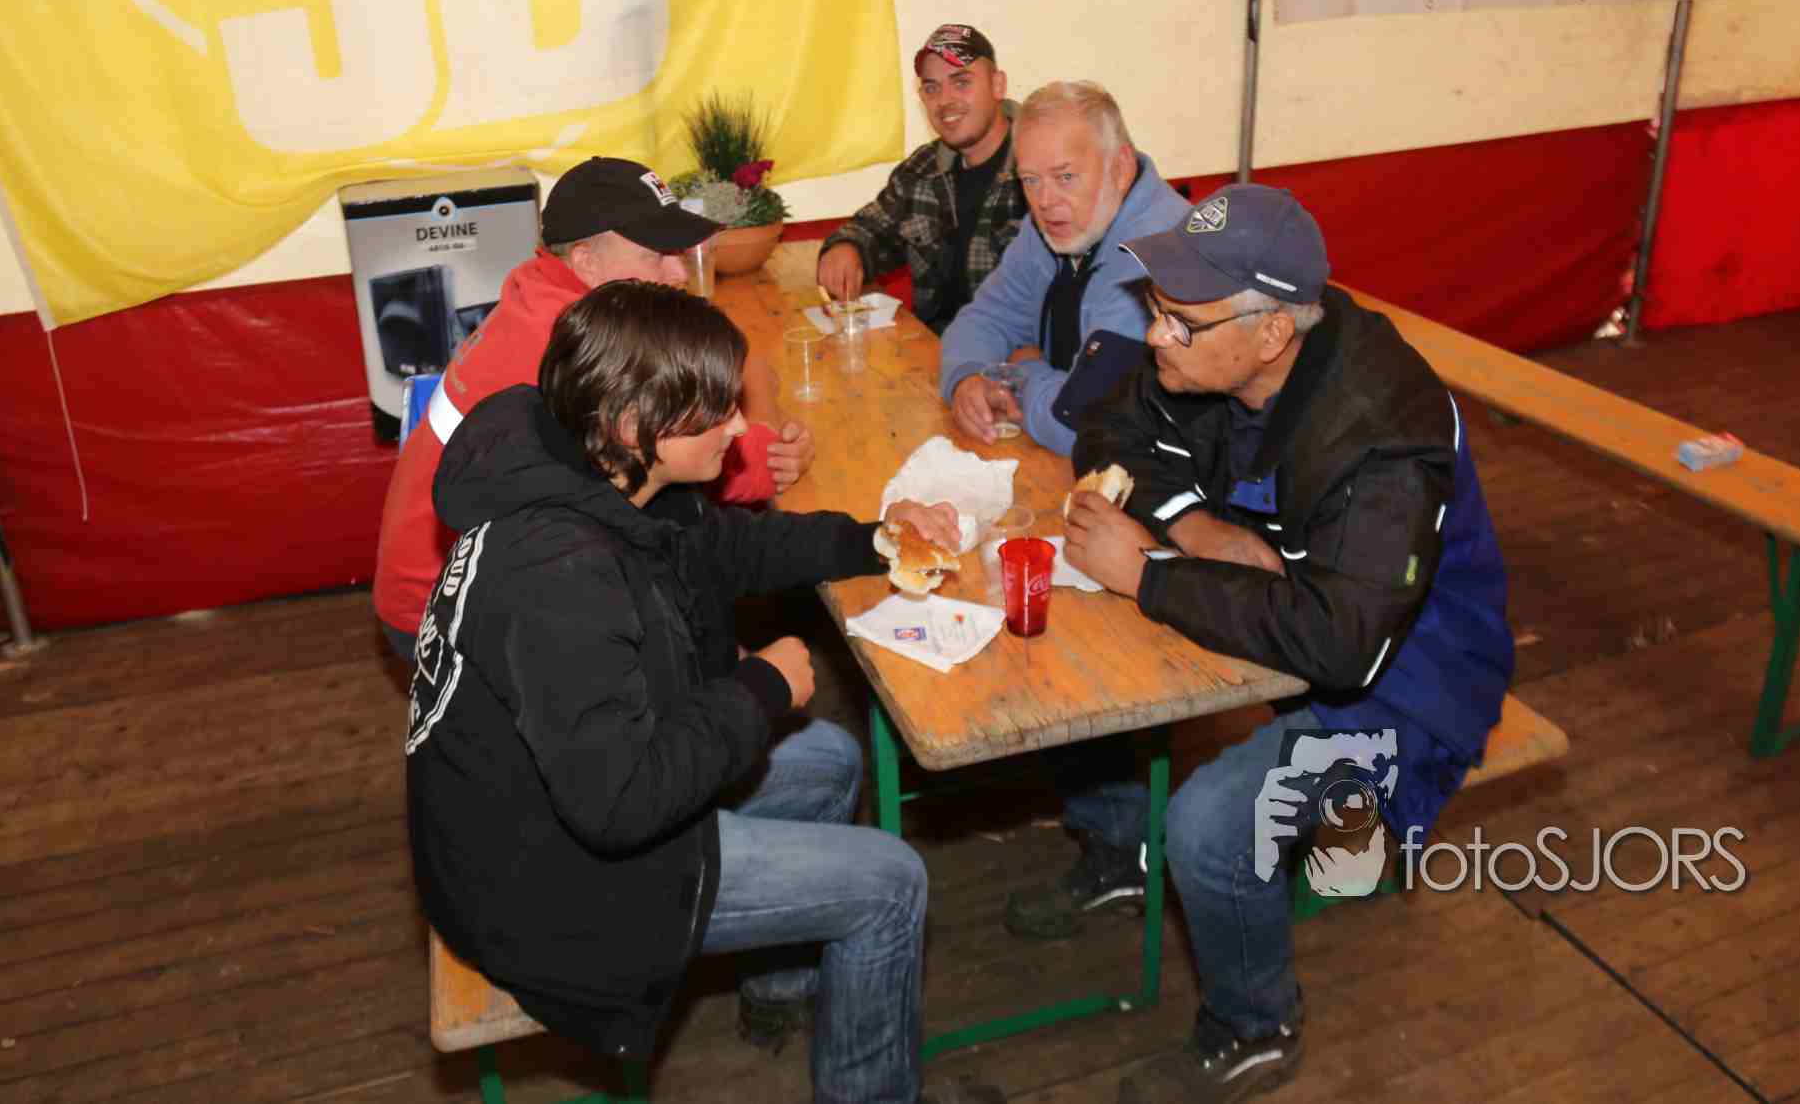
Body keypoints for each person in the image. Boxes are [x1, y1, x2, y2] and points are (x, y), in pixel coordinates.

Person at [405, 281, 1003, 1104]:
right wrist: (760, 688)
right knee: (892, 884)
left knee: (829, 760)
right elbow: (619, 803)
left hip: (554, 812)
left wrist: (878, 541)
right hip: (544, 889)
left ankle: (779, 989)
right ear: (633, 425)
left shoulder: (599, 473)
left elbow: (734, 549)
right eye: (716, 411)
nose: (738, 427)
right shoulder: (559, 573)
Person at [1015, 185, 1514, 1103]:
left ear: (1272, 332)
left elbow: (1343, 644)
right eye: (1155, 308)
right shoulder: (1209, 354)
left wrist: (1151, 575)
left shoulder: (1385, 430)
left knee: (1211, 824)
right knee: (1070, 655)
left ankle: (1254, 1025)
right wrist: (1194, 527)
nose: (1155, 334)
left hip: (1409, 677)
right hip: (1297, 616)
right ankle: (1120, 851)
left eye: (1179, 321)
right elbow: (1107, 423)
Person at [371, 156, 816, 661]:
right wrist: (767, 439)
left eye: (678, 250)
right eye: (656, 255)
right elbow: (738, 471)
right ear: (585, 261)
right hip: (450, 613)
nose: (678, 271)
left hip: (468, 571)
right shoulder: (585, 351)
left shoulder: (544, 292)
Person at [938, 81, 1192, 456]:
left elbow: (1088, 424)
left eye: (1065, 177)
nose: (1044, 201)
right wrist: (967, 376)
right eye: (1030, 180)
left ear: (1121, 168)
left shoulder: (1158, 254)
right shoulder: (1057, 226)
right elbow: (986, 316)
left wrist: (1022, 374)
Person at [815, 24, 1028, 333]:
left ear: (998, 85)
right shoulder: (923, 168)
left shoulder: (1041, 164)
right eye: (931, 88)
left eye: (961, 82)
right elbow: (872, 228)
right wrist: (847, 247)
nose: (944, 100)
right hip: (932, 348)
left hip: (1014, 352)